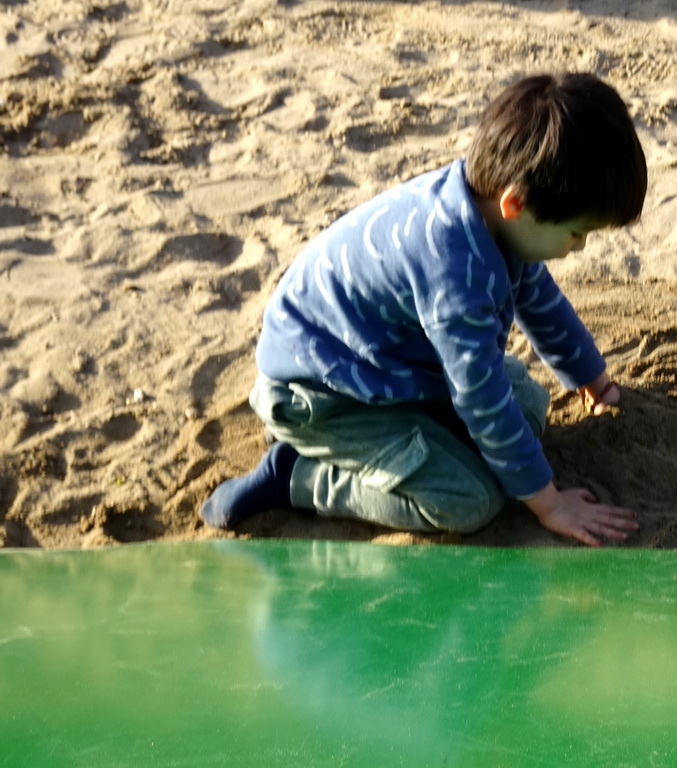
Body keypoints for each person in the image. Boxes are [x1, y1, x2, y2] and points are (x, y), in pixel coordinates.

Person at [201, 72, 647, 546]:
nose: (578, 248)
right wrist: (552, 505)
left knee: (530, 407)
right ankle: (296, 474)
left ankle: (409, 438)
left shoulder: (491, 210)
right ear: (515, 202)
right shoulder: (453, 271)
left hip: (384, 365)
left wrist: (592, 381)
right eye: (577, 233)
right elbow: (480, 401)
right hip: (321, 396)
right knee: (469, 500)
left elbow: (540, 302)